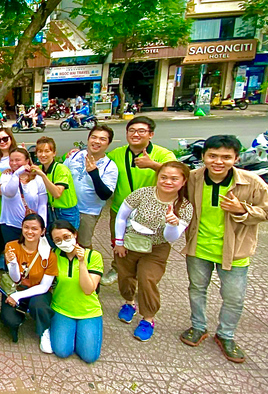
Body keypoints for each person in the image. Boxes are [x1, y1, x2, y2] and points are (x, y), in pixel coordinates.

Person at [180, 135, 268, 363]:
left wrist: (242, 209)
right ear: (203, 156)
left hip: (236, 251)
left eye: (226, 157)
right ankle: (198, 326)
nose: (218, 161)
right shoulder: (193, 178)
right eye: (212, 156)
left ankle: (226, 335)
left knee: (233, 298)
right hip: (199, 246)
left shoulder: (251, 182)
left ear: (236, 158)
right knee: (196, 289)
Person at [114, 162, 194, 342]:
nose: (168, 182)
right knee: (125, 275)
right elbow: (121, 216)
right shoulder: (143, 193)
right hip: (130, 242)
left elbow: (171, 238)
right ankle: (129, 303)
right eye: (164, 177)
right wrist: (119, 242)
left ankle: (148, 318)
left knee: (147, 278)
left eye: (174, 179)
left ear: (183, 181)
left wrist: (172, 224)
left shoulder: (184, 206)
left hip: (156, 248)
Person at [103, 116, 176, 285]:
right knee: (118, 241)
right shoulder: (117, 154)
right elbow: (100, 163)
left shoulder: (163, 154)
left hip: (151, 213)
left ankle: (142, 276)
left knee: (147, 246)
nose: (136, 134)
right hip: (120, 209)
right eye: (132, 131)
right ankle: (118, 269)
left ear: (151, 134)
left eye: (141, 131)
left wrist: (153, 165)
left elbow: (177, 175)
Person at [49, 220, 103, 364]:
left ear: (75, 234)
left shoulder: (94, 256)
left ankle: (80, 333)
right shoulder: (53, 255)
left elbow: (88, 289)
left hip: (88, 311)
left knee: (89, 356)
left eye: (67, 237)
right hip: (62, 308)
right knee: (62, 351)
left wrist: (81, 262)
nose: (63, 242)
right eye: (58, 240)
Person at [1, 214, 58, 351]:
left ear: (43, 231)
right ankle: (19, 317)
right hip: (17, 287)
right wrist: (13, 263)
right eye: (26, 227)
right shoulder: (11, 246)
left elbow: (44, 287)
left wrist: (17, 297)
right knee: (8, 320)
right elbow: (15, 279)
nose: (29, 232)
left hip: (38, 292)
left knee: (39, 306)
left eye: (34, 229)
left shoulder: (49, 255)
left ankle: (44, 330)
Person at [64, 125, 118, 248]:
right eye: (93, 137)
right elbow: (62, 176)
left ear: (108, 144)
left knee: (83, 244)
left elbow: (105, 195)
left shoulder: (110, 166)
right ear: (88, 140)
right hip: (67, 207)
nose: (97, 141)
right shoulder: (75, 156)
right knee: (64, 241)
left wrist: (94, 173)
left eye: (102, 139)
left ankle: (86, 266)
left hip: (87, 211)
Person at [0, 149, 48, 245]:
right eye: (11, 160)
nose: (14, 163)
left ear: (27, 161)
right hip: (11, 225)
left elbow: (42, 204)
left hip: (32, 227)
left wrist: (42, 225)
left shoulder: (37, 179)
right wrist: (17, 174)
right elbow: (10, 192)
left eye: (18, 160)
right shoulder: (6, 176)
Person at [32, 137, 80, 230]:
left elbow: (57, 193)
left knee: (66, 242)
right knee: (52, 241)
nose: (43, 155)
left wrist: (43, 176)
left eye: (47, 151)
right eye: (39, 151)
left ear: (54, 153)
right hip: (50, 210)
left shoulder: (61, 169)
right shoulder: (40, 168)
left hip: (66, 212)